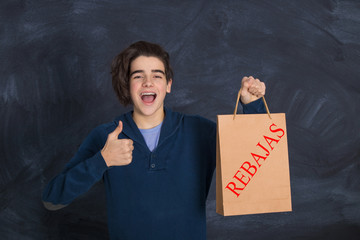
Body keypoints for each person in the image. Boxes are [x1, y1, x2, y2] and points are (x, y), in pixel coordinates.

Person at [42, 41, 266, 239]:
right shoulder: (105, 136)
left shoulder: (200, 131)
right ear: (127, 85)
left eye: (157, 76)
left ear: (168, 84)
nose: (148, 82)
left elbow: (253, 163)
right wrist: (102, 160)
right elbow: (52, 200)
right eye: (138, 76)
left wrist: (252, 105)